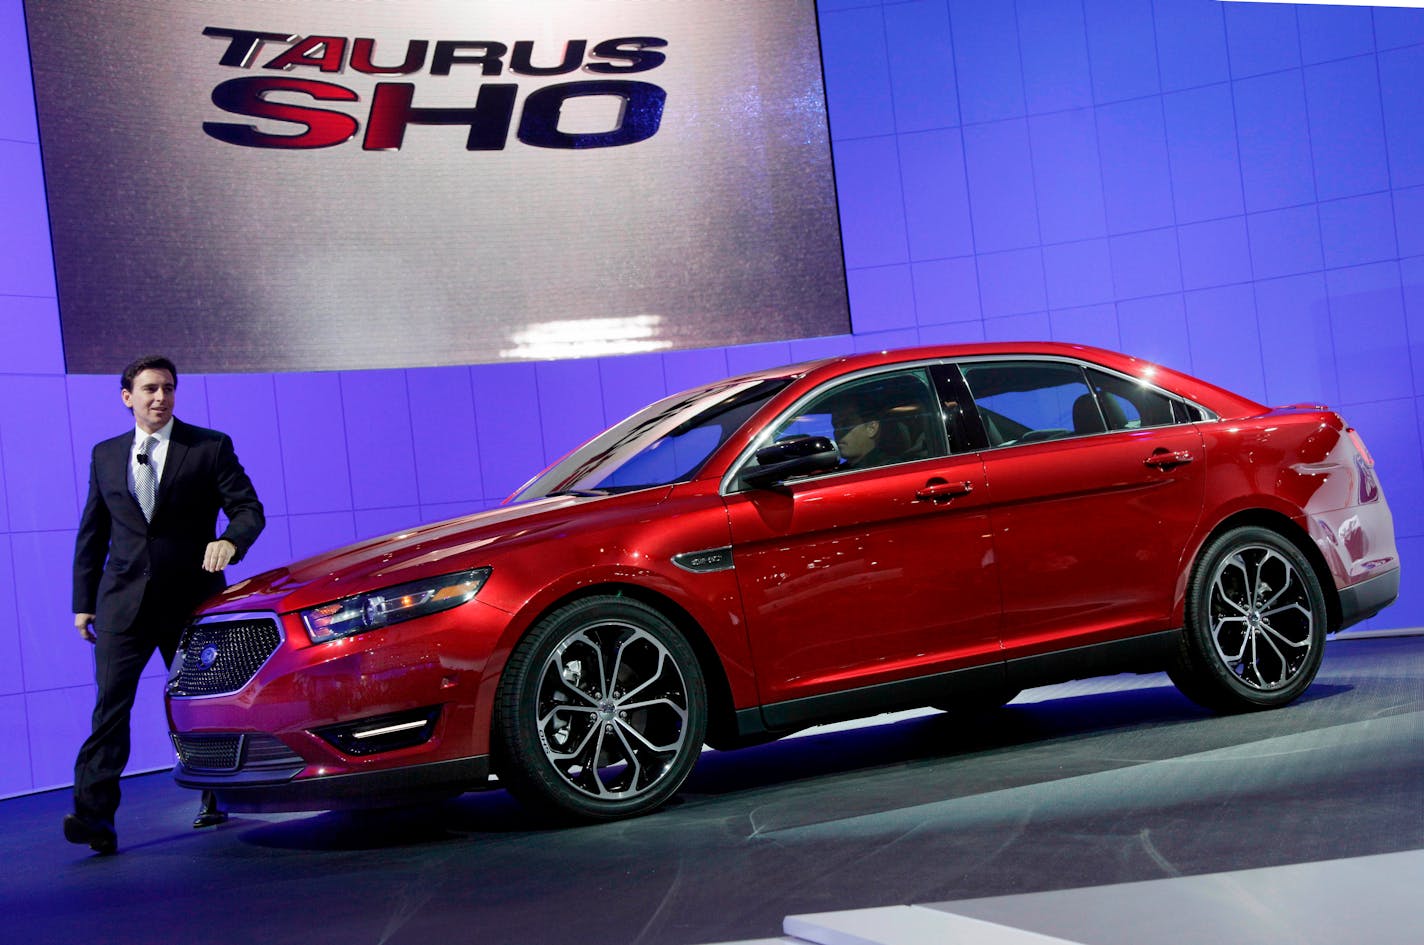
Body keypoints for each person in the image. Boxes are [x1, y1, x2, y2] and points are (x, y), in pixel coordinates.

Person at [65, 355, 265, 854]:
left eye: (169, 388)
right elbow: (92, 533)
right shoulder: (105, 455)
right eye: (150, 388)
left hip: (190, 601)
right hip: (121, 605)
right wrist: (82, 602)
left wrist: (230, 543)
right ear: (127, 396)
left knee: (202, 706)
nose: (161, 397)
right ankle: (94, 819)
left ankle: (217, 793)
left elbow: (248, 509)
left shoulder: (209, 447)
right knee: (109, 710)